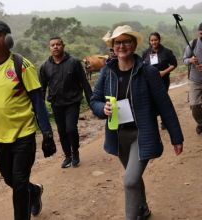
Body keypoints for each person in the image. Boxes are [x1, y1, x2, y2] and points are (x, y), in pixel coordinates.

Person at [0, 20, 56, 220]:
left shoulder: (21, 66)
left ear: (7, 38)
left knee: (19, 183)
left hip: (23, 135)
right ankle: (35, 191)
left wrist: (47, 133)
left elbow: (37, 101)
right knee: (10, 180)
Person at [90, 25, 184, 219]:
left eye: (126, 41)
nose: (122, 46)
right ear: (113, 46)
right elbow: (94, 100)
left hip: (142, 134)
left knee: (130, 180)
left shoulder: (147, 72)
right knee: (133, 178)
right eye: (118, 42)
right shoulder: (107, 72)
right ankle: (143, 209)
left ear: (133, 45)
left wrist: (176, 137)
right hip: (118, 134)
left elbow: (165, 105)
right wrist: (102, 108)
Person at [39, 36, 92, 168]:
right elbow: (42, 87)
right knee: (62, 131)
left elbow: (84, 82)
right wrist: (39, 106)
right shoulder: (45, 66)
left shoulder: (74, 62)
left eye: (58, 44)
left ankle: (75, 152)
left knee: (70, 128)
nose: (55, 47)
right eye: (52, 45)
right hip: (56, 104)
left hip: (73, 102)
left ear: (63, 46)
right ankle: (68, 156)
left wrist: (92, 101)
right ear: (49, 48)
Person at [142, 32, 178, 130]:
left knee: (162, 100)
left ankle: (164, 121)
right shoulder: (146, 52)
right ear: (149, 41)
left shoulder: (166, 52)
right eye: (152, 40)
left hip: (163, 80)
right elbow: (142, 66)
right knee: (150, 101)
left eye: (155, 40)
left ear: (159, 40)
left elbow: (174, 64)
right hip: (149, 81)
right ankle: (152, 122)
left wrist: (164, 72)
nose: (154, 42)